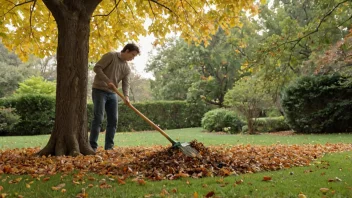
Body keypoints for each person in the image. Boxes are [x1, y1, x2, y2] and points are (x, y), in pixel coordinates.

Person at [89, 43, 140, 152]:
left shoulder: (126, 68)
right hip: (99, 90)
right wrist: (108, 81)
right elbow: (97, 68)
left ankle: (109, 148)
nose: (132, 58)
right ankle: (92, 146)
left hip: (112, 94)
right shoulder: (111, 56)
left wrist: (126, 96)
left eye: (134, 56)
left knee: (113, 120)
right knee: (98, 118)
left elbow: (126, 83)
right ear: (126, 51)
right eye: (132, 55)